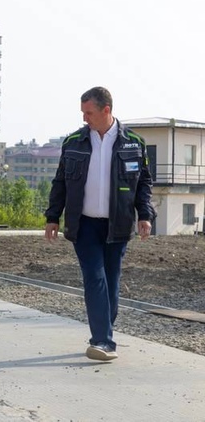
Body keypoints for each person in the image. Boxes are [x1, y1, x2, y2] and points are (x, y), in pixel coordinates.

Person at [44, 86, 156, 361]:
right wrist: (52, 217)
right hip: (84, 225)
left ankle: (104, 331)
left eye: (89, 112)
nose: (85, 118)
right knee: (94, 278)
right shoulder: (73, 142)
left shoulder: (134, 143)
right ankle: (103, 341)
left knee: (111, 283)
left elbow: (143, 183)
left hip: (117, 225)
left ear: (106, 110)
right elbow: (60, 182)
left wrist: (145, 215)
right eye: (83, 112)